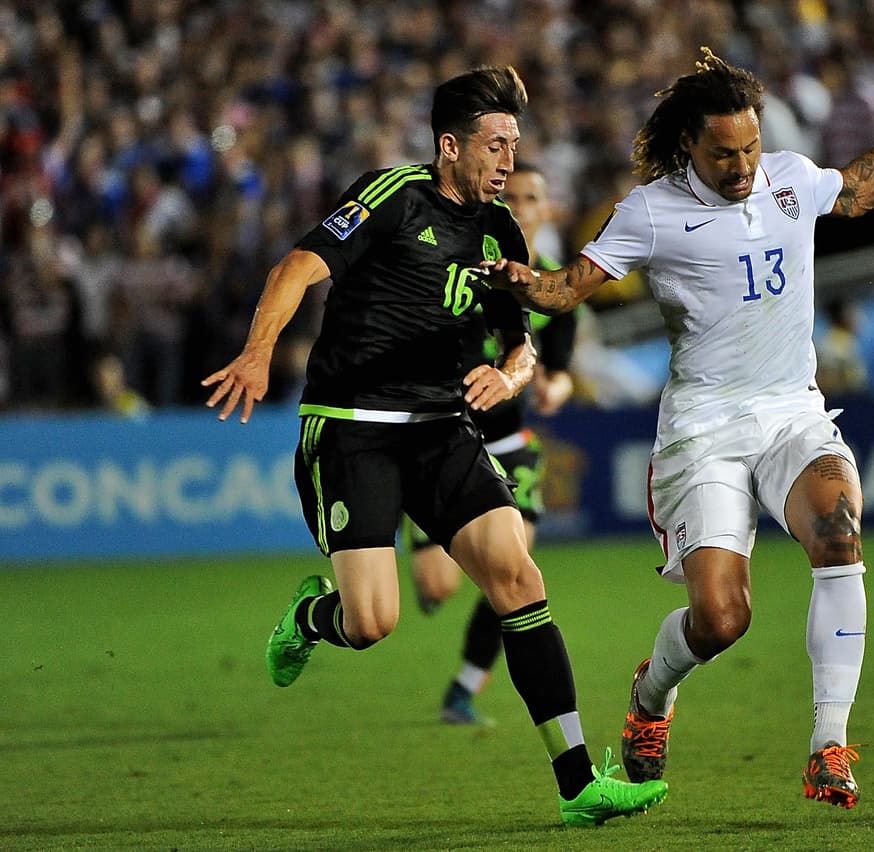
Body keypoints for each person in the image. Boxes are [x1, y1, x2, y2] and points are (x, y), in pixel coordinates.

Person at [482, 46, 874, 808]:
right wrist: (524, 284)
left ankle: (828, 746)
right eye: (724, 154)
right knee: (722, 619)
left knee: (840, 533)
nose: (743, 166)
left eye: (750, 147)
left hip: (792, 411)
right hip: (704, 428)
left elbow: (857, 189)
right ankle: (651, 695)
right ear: (689, 143)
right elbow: (567, 289)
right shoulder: (650, 212)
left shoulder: (789, 178)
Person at [200, 65, 666, 827]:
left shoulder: (501, 230)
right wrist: (258, 352)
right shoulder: (393, 195)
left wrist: (509, 378)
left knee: (519, 578)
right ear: (450, 146)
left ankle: (578, 783)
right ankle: (311, 618)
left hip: (442, 426)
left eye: (514, 145)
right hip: (352, 425)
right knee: (371, 622)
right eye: (494, 145)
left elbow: (522, 345)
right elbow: (297, 267)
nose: (508, 160)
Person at [403, 163, 579, 726]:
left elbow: (562, 369)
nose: (521, 207)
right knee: (438, 587)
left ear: (546, 209)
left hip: (510, 444)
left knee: (513, 570)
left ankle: (463, 689)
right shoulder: (461, 269)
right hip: (445, 440)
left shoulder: (555, 287)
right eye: (513, 197)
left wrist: (554, 386)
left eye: (531, 198)